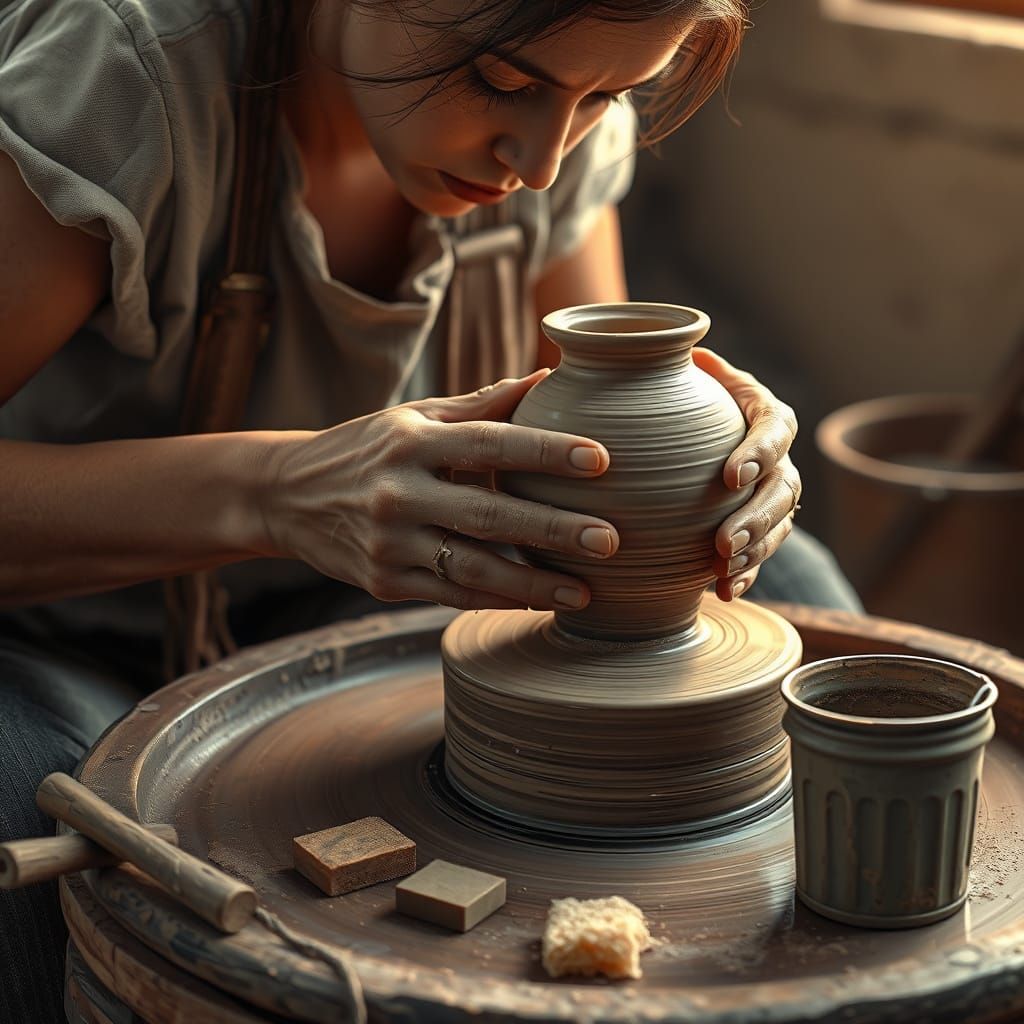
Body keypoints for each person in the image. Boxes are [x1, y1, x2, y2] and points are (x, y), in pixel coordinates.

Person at [0, 0, 860, 1018]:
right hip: (56, 623)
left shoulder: (560, 116)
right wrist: (272, 490)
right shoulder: (128, 70)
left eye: (606, 98)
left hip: (344, 593)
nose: (539, 161)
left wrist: (722, 451)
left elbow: (585, 422)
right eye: (502, 82)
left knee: (791, 599)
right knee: (62, 796)